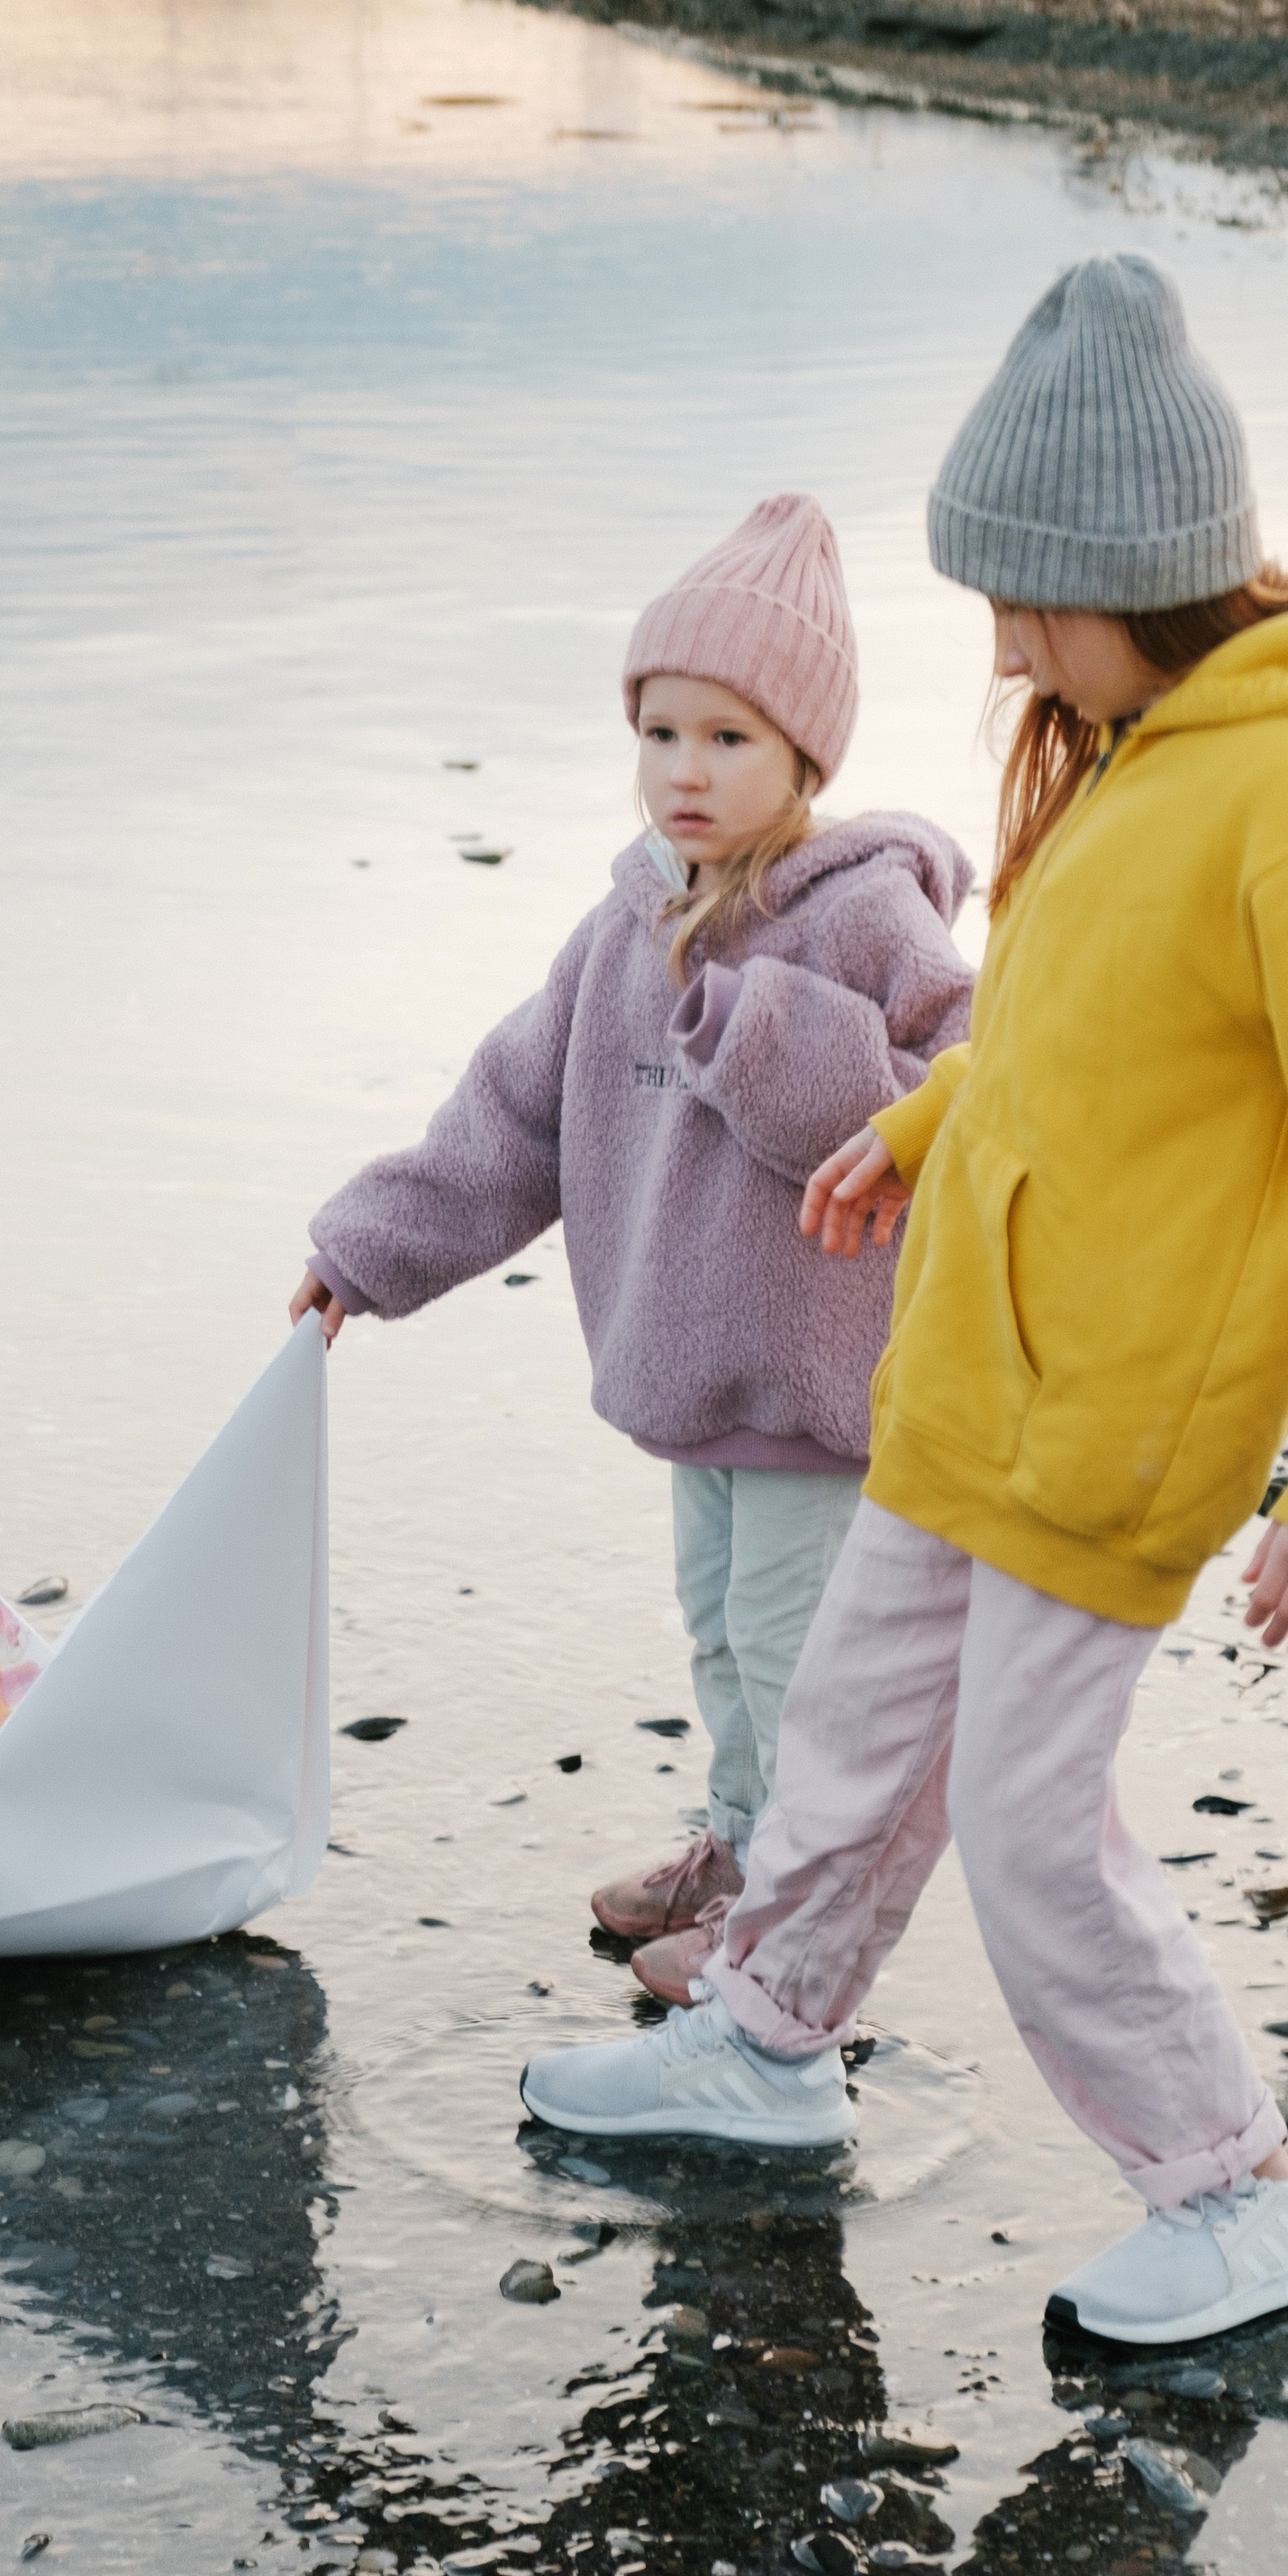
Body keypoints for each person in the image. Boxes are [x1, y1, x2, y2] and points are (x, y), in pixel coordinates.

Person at [520, 255, 1288, 2355]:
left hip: (1120, 1429)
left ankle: (1233, 2190)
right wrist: (933, 1117)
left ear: (1125, 571)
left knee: (1035, 1842)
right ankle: (763, 2050)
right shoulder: (1135, 753)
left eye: (1019, 601)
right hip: (971, 1388)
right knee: (850, 1754)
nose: (994, 648)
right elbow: (1086, 1045)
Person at [292, 495, 973, 1997]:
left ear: (806, 760)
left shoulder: (865, 923)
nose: (686, 771)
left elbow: (965, 1106)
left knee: (798, 1663)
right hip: (693, 1381)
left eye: (729, 739)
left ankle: (795, 1944)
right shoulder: (624, 931)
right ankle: (739, 1849)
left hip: (823, 1387)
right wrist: (369, 1251)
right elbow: (514, 1112)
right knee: (724, 1642)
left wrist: (770, 1031)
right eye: (660, 733)